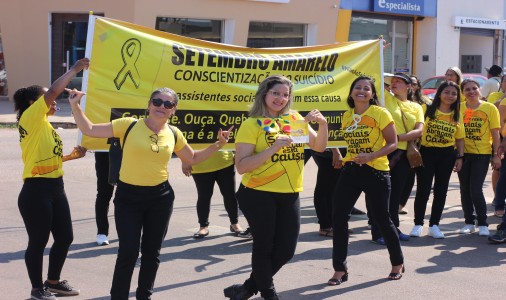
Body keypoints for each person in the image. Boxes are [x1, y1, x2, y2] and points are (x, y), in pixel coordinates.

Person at [68, 85, 233, 300]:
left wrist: (218, 144)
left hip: (160, 198)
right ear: (148, 105)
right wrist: (75, 105)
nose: (161, 106)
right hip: (128, 197)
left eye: (168, 104)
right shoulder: (128, 125)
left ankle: (144, 295)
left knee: (151, 253)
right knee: (128, 252)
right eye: (157, 102)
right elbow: (89, 129)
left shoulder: (174, 133)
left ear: (174, 110)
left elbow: (192, 159)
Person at [224, 75, 328, 300]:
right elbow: (241, 166)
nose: (280, 98)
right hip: (257, 193)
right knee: (264, 247)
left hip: (289, 193)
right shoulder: (251, 124)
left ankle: (247, 288)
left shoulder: (294, 118)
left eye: (285, 95)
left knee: (287, 250)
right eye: (275, 93)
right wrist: (272, 149)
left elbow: (319, 146)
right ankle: (269, 295)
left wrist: (322, 124)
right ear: (264, 94)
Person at [14, 58, 89, 300]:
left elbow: (42, 160)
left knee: (65, 237)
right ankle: (38, 289)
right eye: (47, 98)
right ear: (32, 103)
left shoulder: (45, 125)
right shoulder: (31, 118)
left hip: (56, 187)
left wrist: (69, 157)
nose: (53, 100)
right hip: (36, 192)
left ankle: (53, 282)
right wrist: (74, 70)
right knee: (38, 241)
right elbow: (55, 89)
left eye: (52, 98)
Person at [328, 76, 403, 286]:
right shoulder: (346, 116)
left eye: (366, 88)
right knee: (338, 217)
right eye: (357, 88)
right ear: (351, 93)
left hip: (376, 171)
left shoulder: (380, 113)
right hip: (351, 170)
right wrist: (337, 153)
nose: (361, 91)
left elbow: (393, 143)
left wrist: (371, 156)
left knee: (381, 218)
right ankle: (339, 269)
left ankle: (397, 263)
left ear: (372, 94)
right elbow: (339, 140)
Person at [371, 73, 424, 245]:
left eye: (399, 81)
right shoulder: (386, 98)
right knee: (379, 193)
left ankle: (393, 228)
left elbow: (419, 130)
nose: (394, 83)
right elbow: (374, 79)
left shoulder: (416, 107)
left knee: (395, 195)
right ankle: (378, 231)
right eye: (392, 81)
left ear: (409, 86)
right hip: (385, 152)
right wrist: (378, 50)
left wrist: (396, 138)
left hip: (403, 155)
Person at [409, 81, 465, 238]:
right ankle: (418, 224)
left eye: (454, 93)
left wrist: (460, 157)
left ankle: (434, 225)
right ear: (439, 93)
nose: (450, 96)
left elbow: (459, 139)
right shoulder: (426, 109)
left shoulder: (457, 115)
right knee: (423, 189)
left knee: (441, 190)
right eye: (446, 92)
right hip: (426, 153)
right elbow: (415, 129)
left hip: (447, 154)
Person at [458, 79, 501, 236]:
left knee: (475, 189)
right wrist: (458, 156)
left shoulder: (489, 108)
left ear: (479, 89)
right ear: (462, 92)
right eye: (467, 89)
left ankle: (482, 223)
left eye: (474, 88)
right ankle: (469, 222)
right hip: (463, 154)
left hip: (481, 154)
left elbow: (495, 134)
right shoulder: (459, 108)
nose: (471, 91)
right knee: (464, 190)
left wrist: (496, 155)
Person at [181, 151, 244, 238]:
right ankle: (203, 226)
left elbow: (235, 138)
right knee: (204, 196)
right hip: (200, 165)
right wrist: (184, 161)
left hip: (225, 162)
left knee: (230, 195)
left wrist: (238, 153)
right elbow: (183, 142)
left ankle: (235, 224)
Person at [398, 75, 431, 215]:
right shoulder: (394, 101)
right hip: (394, 148)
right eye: (409, 82)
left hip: (415, 146)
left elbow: (421, 128)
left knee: (409, 178)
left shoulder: (424, 103)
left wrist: (398, 137)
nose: (412, 85)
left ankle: (400, 205)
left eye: (414, 83)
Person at [94, 151, 114, 245]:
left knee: (128, 195)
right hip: (104, 152)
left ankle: (128, 232)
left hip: (127, 152)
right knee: (104, 194)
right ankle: (102, 232)